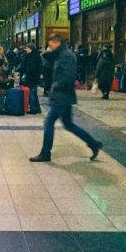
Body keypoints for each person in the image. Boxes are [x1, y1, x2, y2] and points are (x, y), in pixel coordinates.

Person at [30, 34, 103, 162]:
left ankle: (45, 153)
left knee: (48, 122)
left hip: (62, 96)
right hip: (63, 95)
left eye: (51, 43)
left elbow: (68, 77)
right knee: (69, 124)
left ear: (57, 42)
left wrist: (56, 87)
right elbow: (47, 57)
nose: (49, 45)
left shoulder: (66, 56)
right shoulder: (60, 54)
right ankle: (93, 144)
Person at [20, 43, 42, 114]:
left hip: (32, 78)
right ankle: (37, 108)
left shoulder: (33, 57)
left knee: (31, 93)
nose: (25, 49)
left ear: (30, 49)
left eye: (27, 48)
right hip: (33, 77)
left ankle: (33, 108)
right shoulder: (32, 56)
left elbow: (31, 68)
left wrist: (25, 71)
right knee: (34, 93)